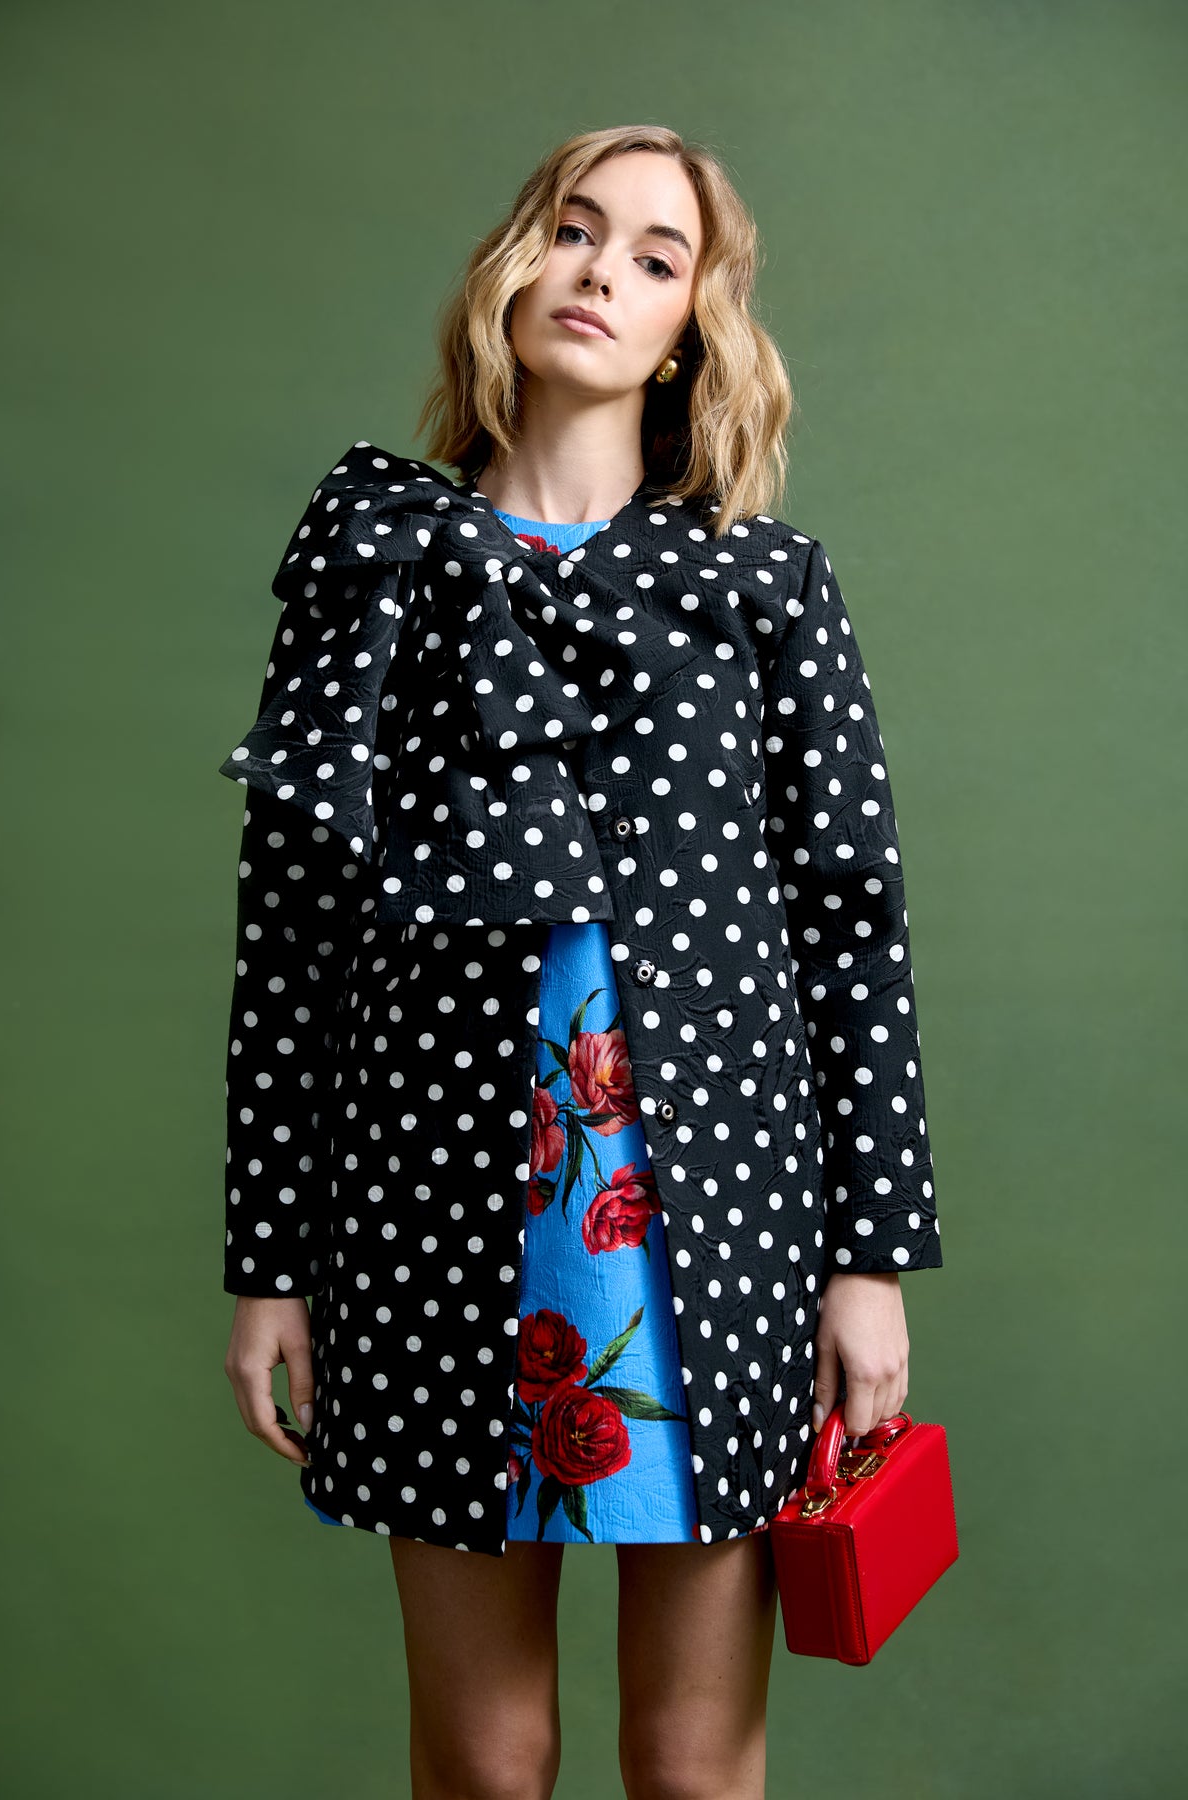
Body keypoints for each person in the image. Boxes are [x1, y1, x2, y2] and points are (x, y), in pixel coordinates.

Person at [221, 123, 943, 1800]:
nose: (603, 271)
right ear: (513, 263)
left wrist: (870, 1263)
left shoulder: (766, 585)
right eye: (574, 227)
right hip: (421, 1209)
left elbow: (853, 931)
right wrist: (268, 1261)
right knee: (488, 1760)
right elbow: (291, 938)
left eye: (655, 255)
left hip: (719, 1227)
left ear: (692, 325)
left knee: (692, 1765)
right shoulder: (377, 561)